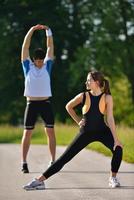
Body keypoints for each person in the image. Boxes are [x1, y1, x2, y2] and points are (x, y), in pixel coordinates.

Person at [23, 71, 123, 189]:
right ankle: (39, 180)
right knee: (64, 158)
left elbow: (110, 118)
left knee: (118, 149)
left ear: (96, 82)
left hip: (102, 131)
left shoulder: (107, 97)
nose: (86, 82)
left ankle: (113, 178)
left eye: (89, 80)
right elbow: (68, 106)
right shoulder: (83, 96)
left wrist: (116, 139)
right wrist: (78, 121)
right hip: (85, 132)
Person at [21, 24, 56, 173]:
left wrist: (48, 31)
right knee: (27, 133)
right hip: (31, 103)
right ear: (34, 60)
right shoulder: (28, 66)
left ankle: (53, 161)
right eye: (38, 61)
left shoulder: (47, 65)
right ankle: (24, 163)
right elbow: (25, 47)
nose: (40, 63)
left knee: (50, 132)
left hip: (45, 103)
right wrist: (32, 30)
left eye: (42, 61)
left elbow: (50, 48)